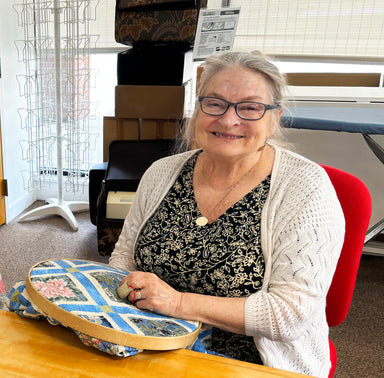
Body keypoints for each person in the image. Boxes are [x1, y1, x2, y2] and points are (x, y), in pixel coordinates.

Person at [109, 50, 345, 378]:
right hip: (149, 342)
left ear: (274, 118)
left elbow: (291, 314)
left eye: (250, 107)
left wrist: (177, 303)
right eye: (215, 103)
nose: (229, 120)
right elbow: (123, 262)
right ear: (198, 108)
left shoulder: (306, 188)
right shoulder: (161, 173)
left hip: (249, 361)